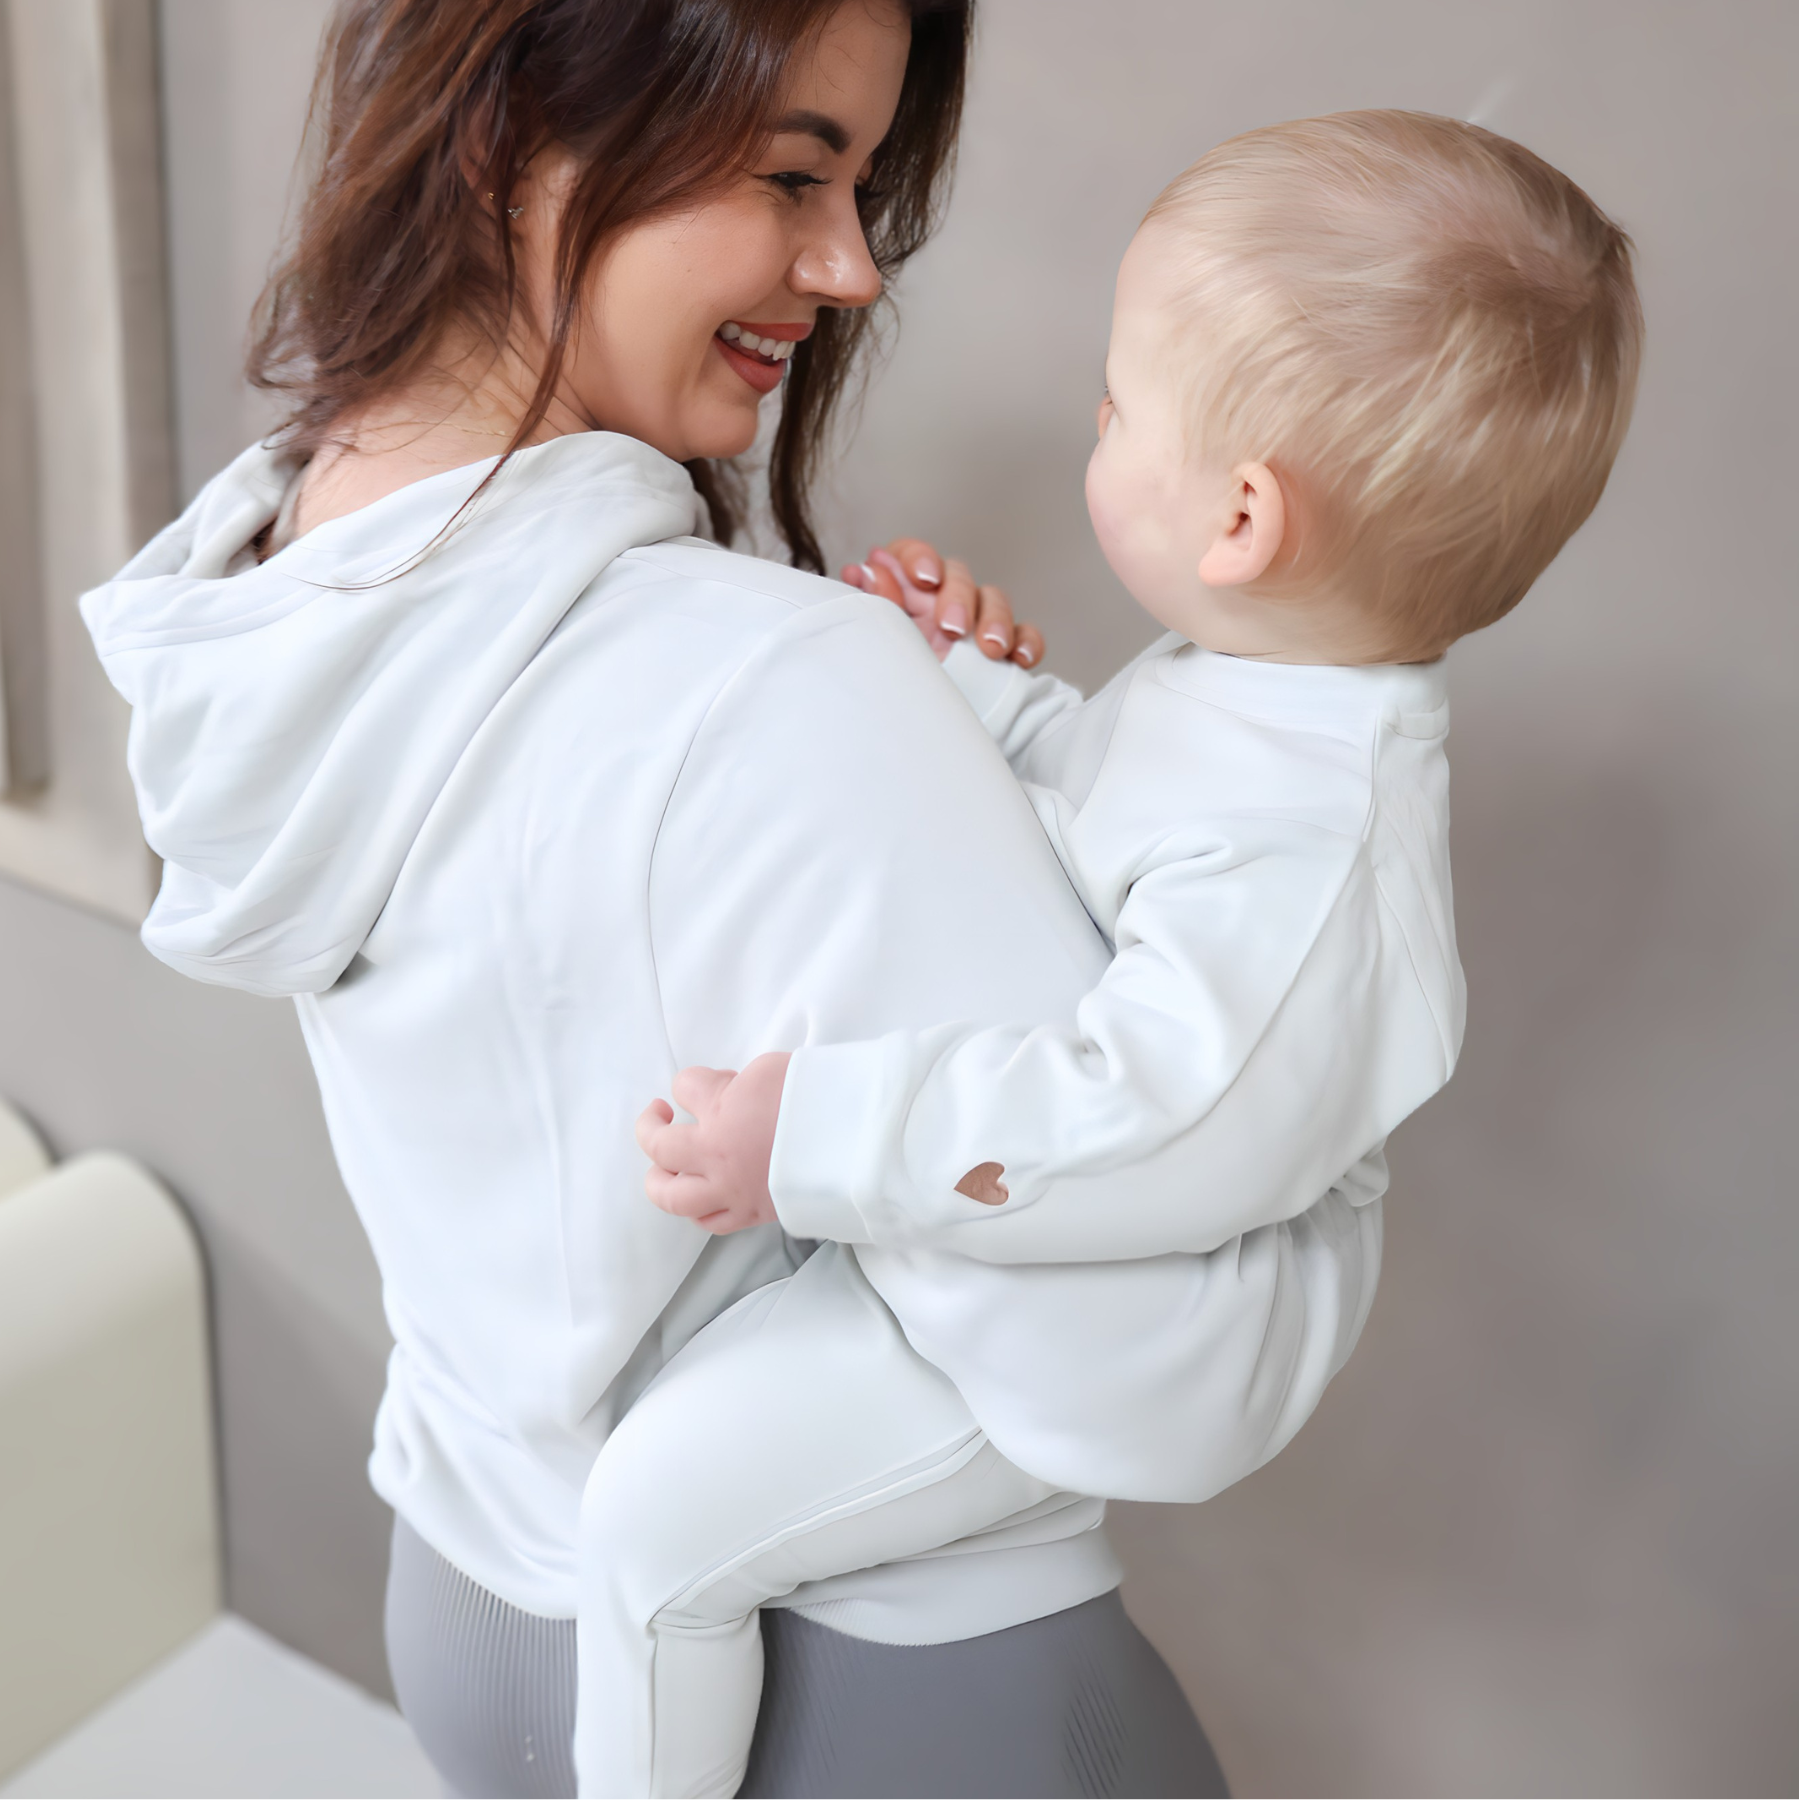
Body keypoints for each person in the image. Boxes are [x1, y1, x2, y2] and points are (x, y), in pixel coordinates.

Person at [79, 3, 1379, 1795]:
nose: (849, 267)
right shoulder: (774, 689)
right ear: (510, 139)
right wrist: (1325, 1144)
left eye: (857, 188)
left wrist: (968, 758)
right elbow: (1146, 1364)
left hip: (475, 1601)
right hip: (884, 1700)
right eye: (791, 176)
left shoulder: (295, 586)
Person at [625, 110, 1644, 1797]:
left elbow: (1152, 1118)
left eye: (1119, 406)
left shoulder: (1319, 852)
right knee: (657, 1472)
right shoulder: (1264, 696)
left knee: (654, 1531)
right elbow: (1101, 846)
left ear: (1240, 514)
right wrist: (964, 686)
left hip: (1120, 1336)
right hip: (1064, 1250)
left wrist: (811, 1139)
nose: (1094, 421)